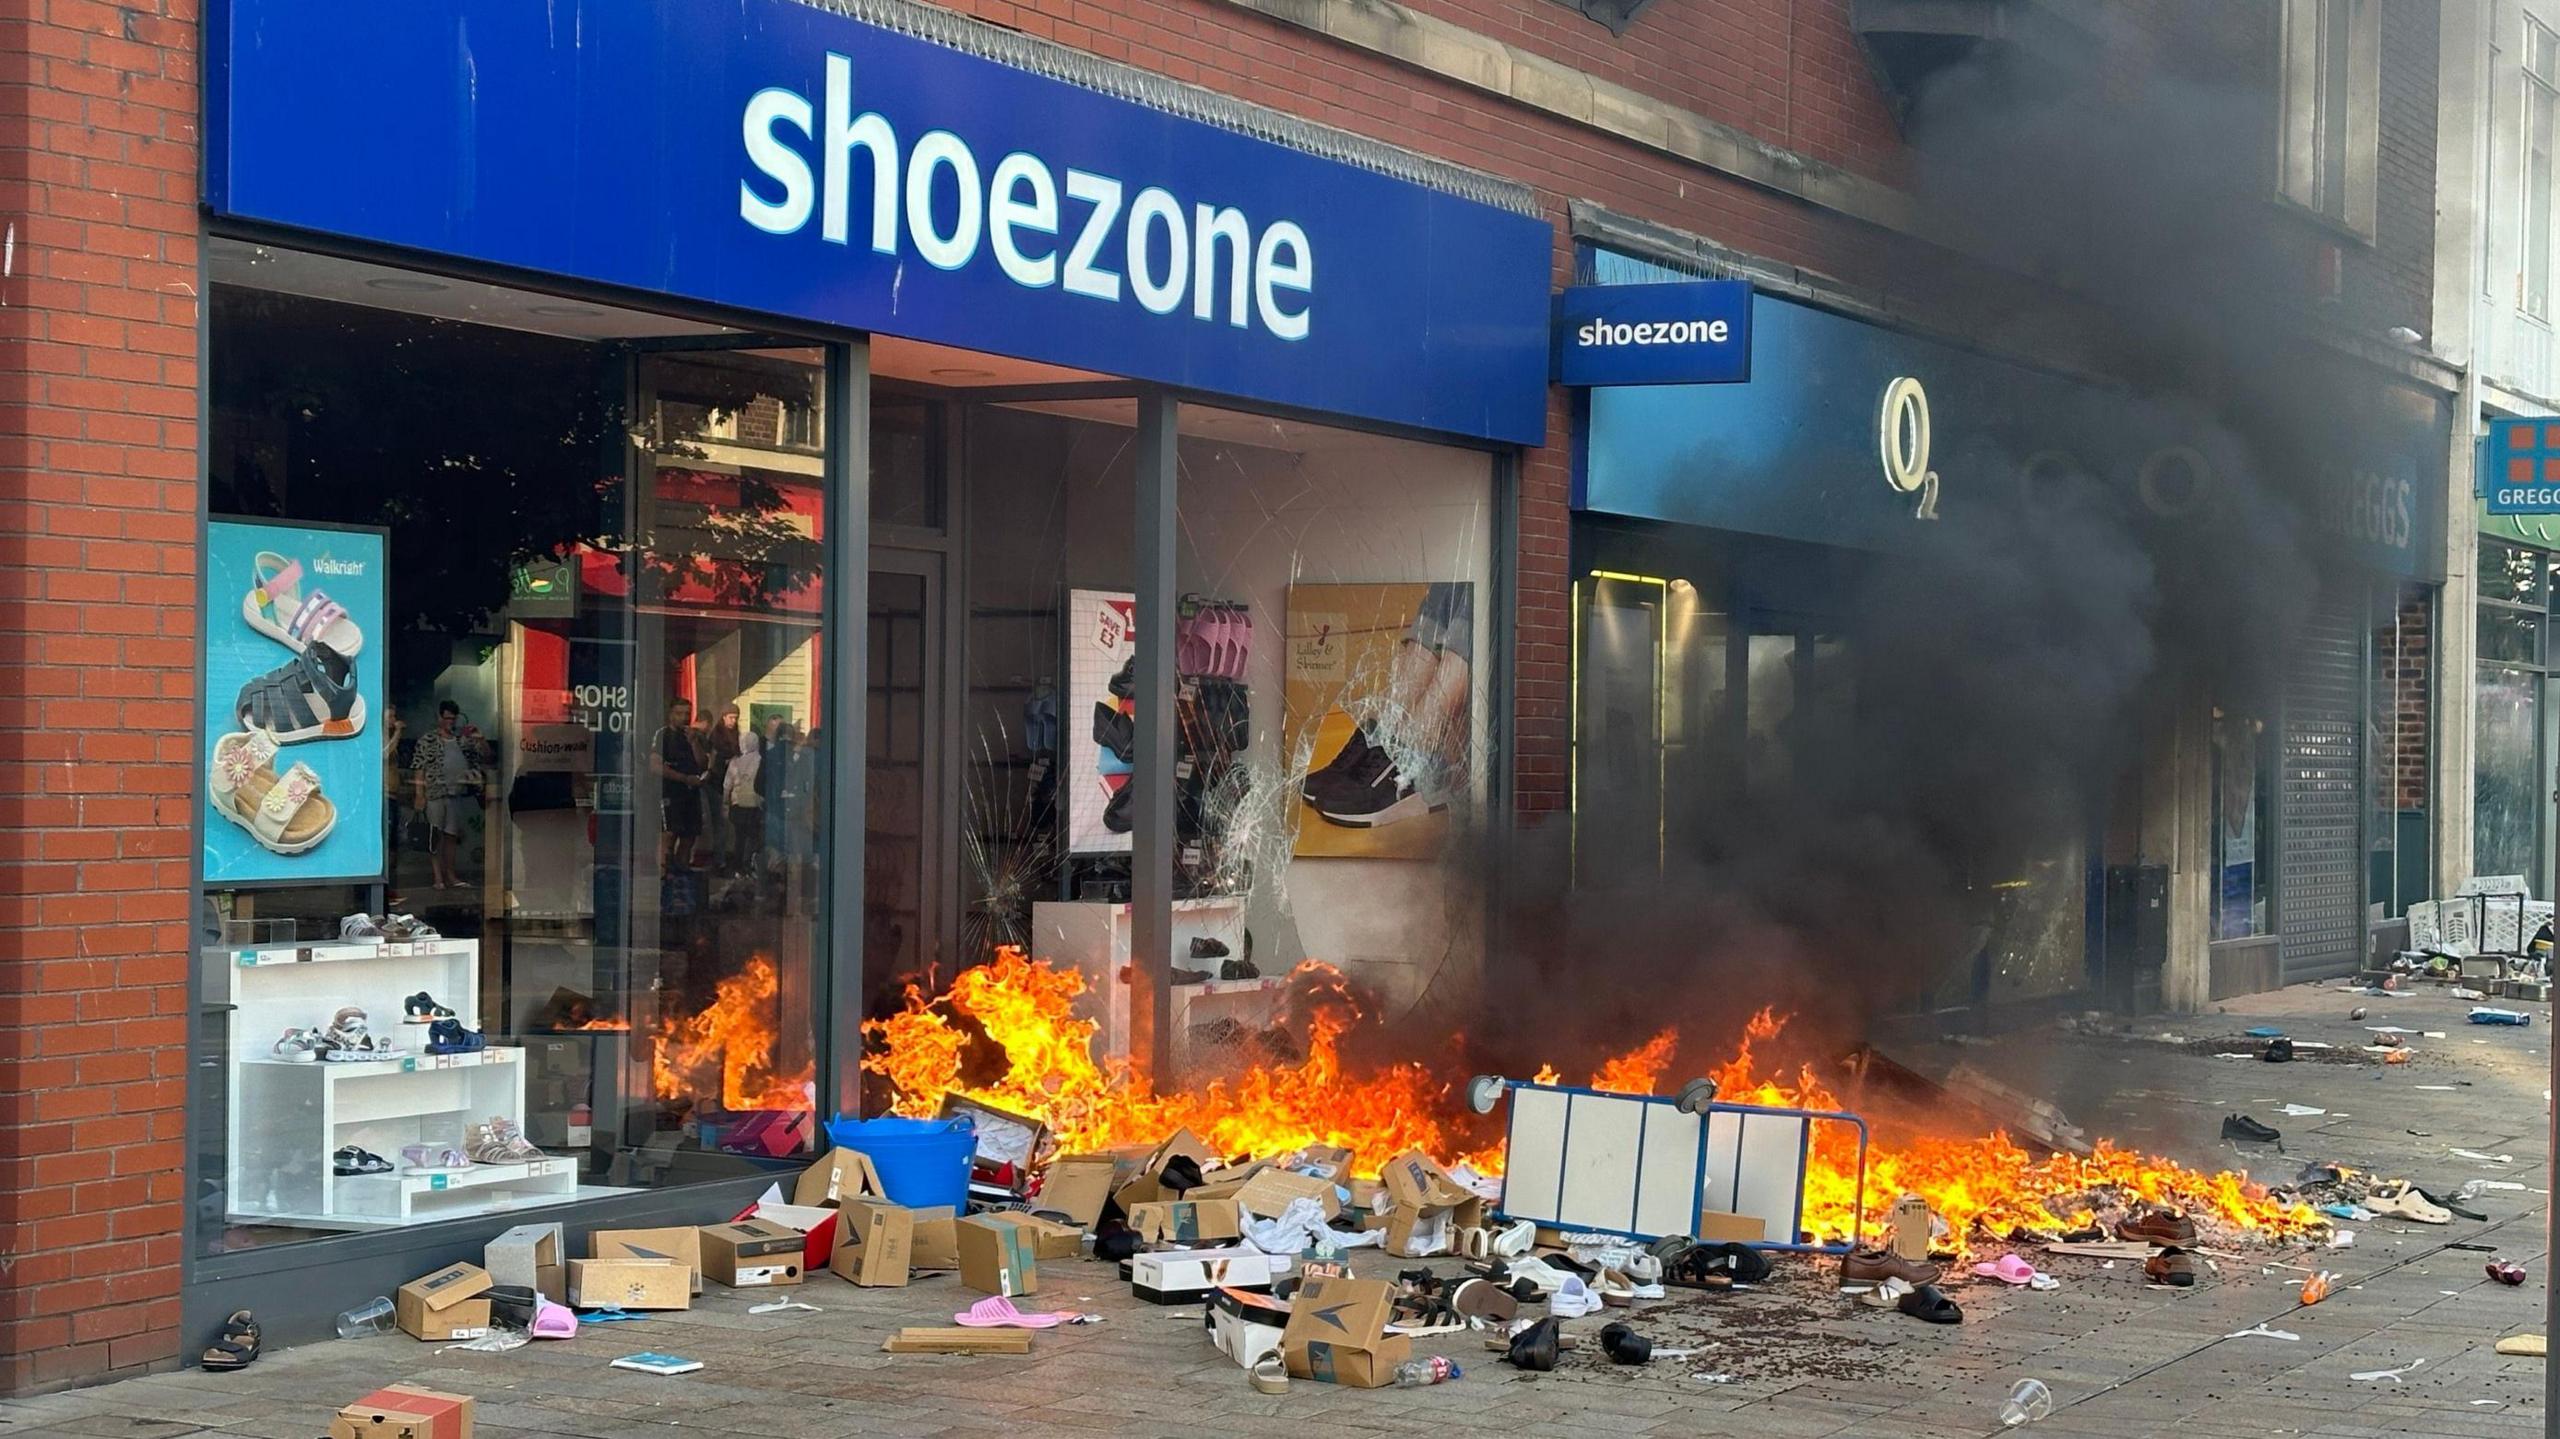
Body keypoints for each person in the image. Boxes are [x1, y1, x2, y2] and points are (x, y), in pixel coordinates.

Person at [411, 700, 481, 891]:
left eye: (453, 718)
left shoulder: (462, 740)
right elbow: (419, 767)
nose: (450, 722)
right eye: (447, 718)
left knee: (451, 836)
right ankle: (438, 876)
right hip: (435, 792)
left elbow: (480, 757)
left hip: (455, 793)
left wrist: (478, 739)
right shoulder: (428, 740)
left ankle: (450, 874)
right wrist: (419, 794)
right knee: (436, 836)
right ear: (440, 717)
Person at [652, 697, 710, 868]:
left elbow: (703, 763)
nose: (683, 718)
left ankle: (681, 873)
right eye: (679, 713)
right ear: (671, 714)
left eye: (687, 714)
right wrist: (683, 778)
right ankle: (662, 873)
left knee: (689, 837)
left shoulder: (695, 736)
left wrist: (693, 742)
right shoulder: (663, 735)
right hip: (671, 792)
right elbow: (655, 765)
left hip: (691, 793)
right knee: (669, 835)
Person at [722, 725, 762, 876]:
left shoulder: (735, 762)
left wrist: (725, 802)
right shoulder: (761, 761)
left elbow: (727, 785)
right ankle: (749, 864)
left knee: (739, 836)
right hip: (755, 804)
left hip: (737, 803)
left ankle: (737, 865)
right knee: (753, 836)